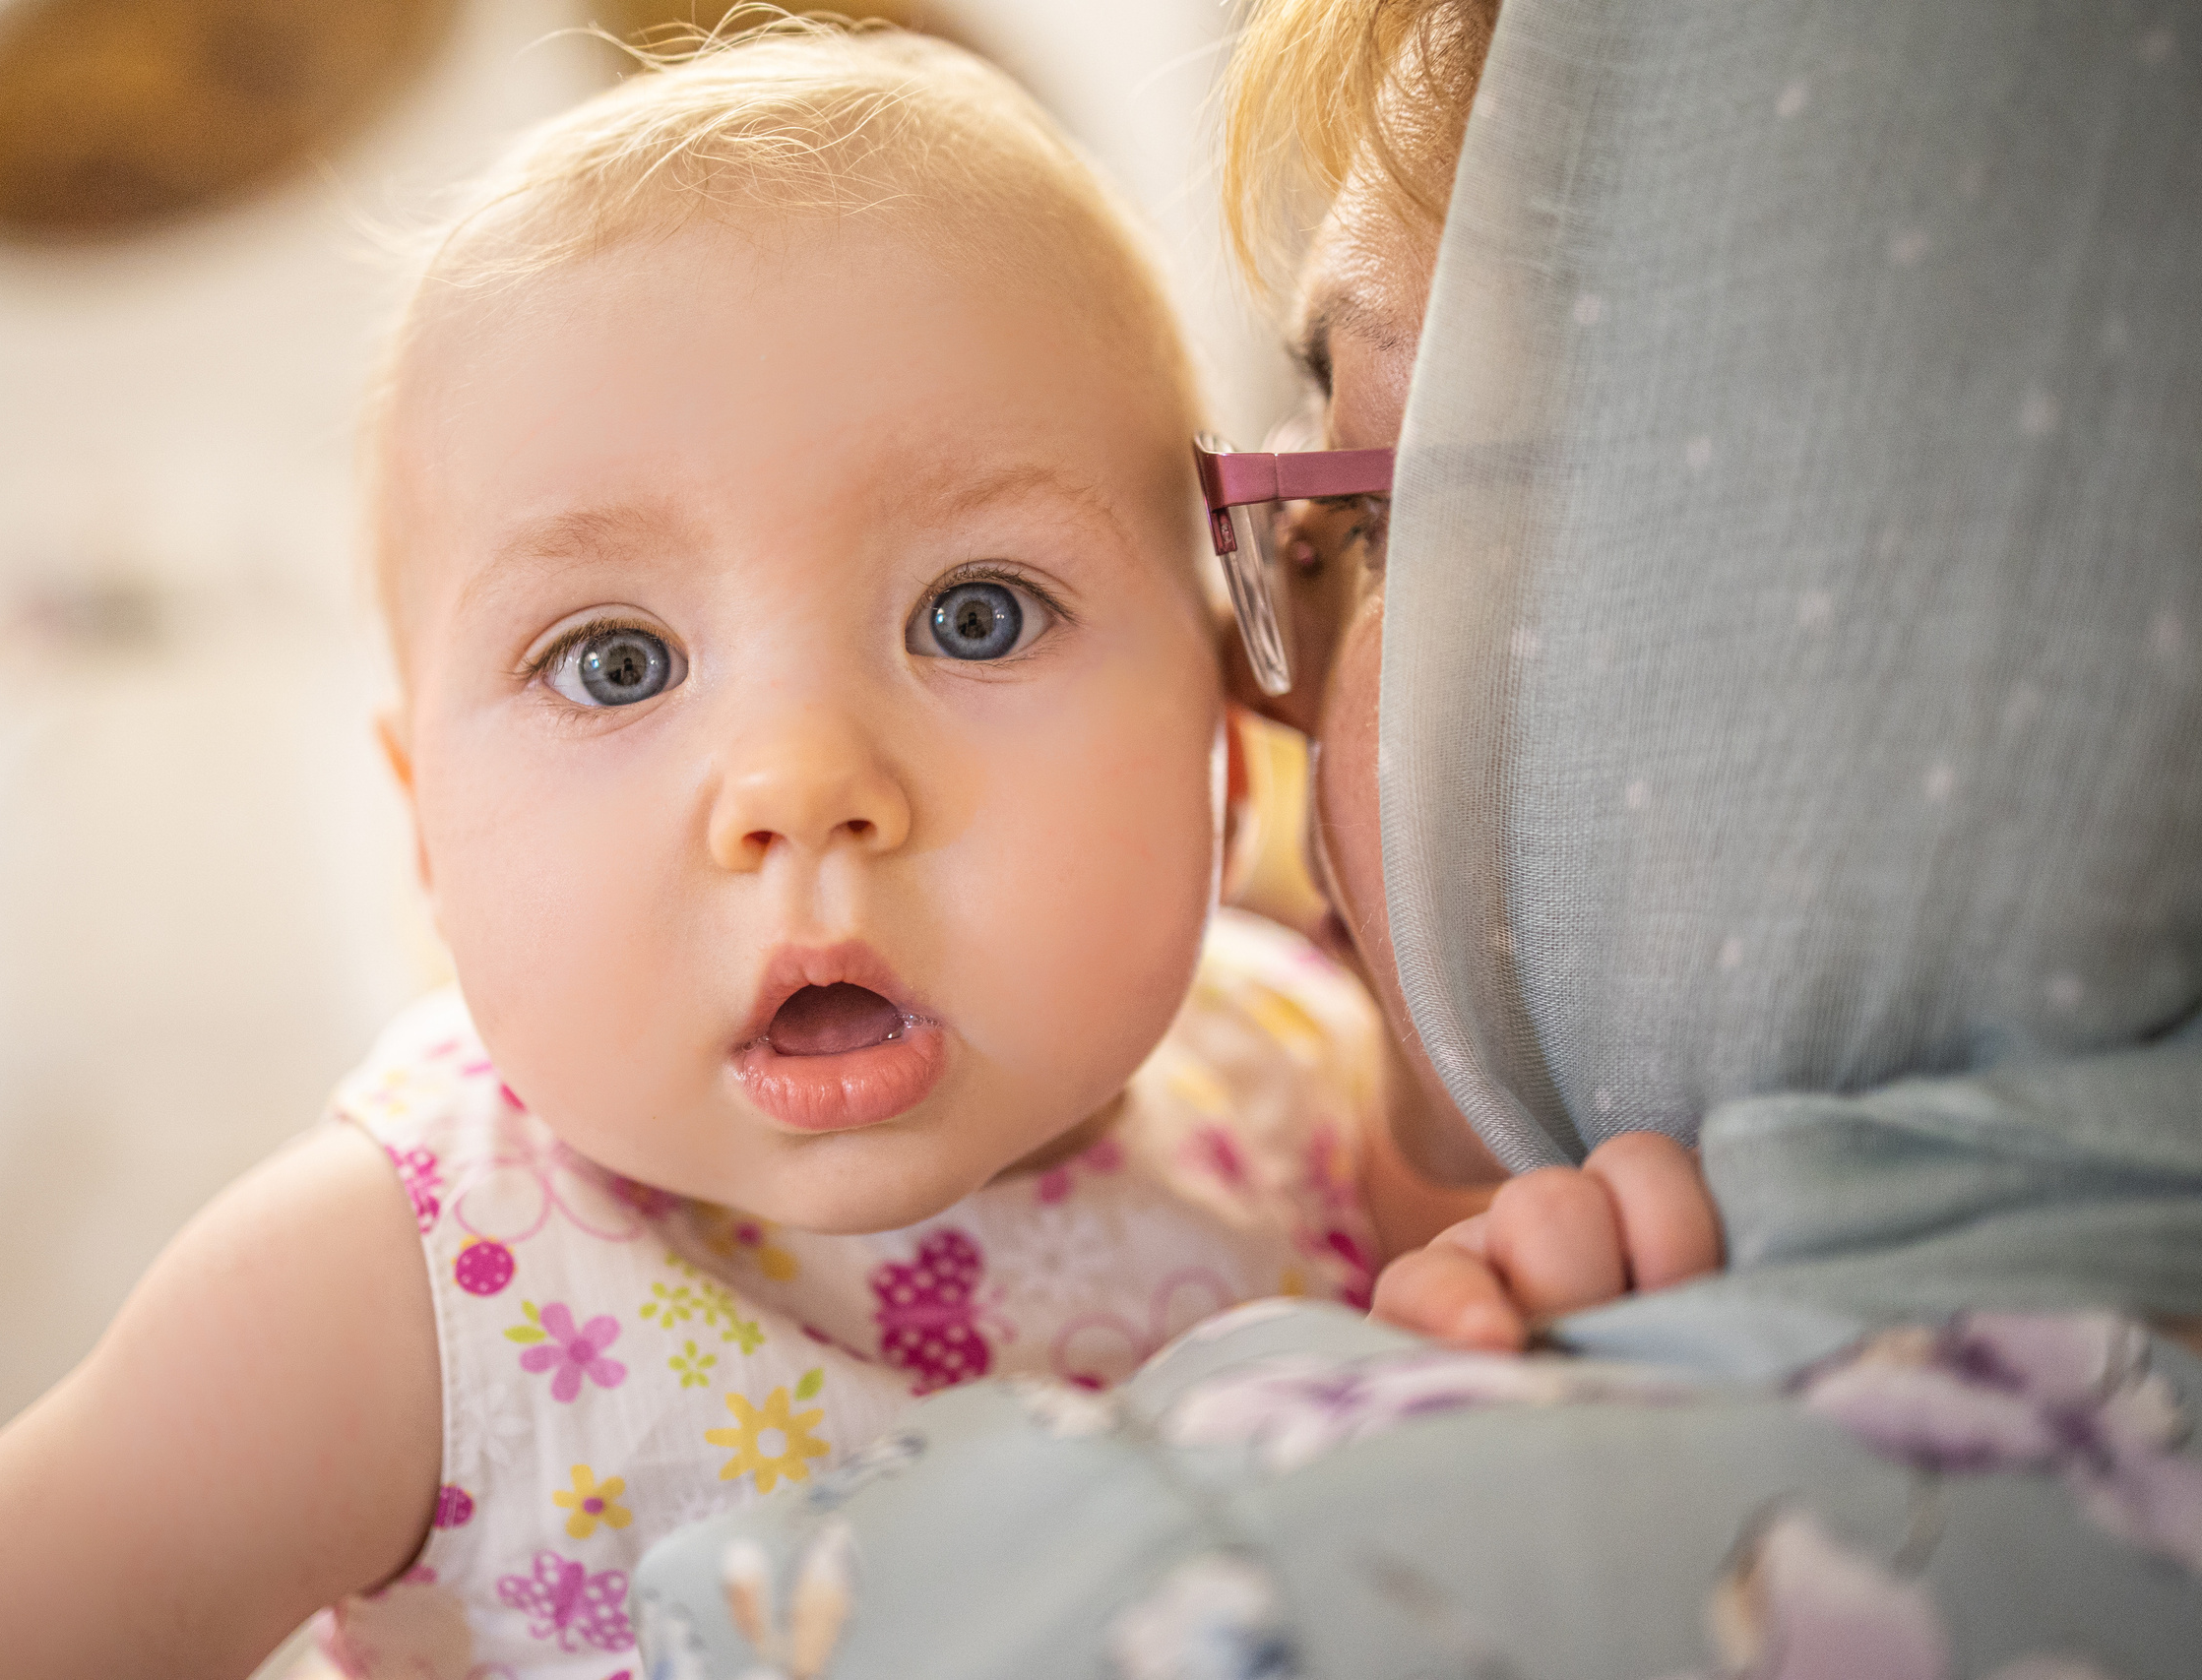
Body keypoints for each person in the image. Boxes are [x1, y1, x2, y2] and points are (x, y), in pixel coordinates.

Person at [0, 23, 1716, 1680]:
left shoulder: (1285, 1082)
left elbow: (1431, 1384)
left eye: (974, 614)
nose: (798, 783)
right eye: (612, 661)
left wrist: (1501, 1279)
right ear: (424, 835)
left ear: (1220, 726)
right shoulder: (382, 1284)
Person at [632, 0, 2202, 1674]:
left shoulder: (1156, 1590)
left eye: (1383, 527)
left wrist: (1280, 1419)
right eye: (618, 665)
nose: (1263, 698)